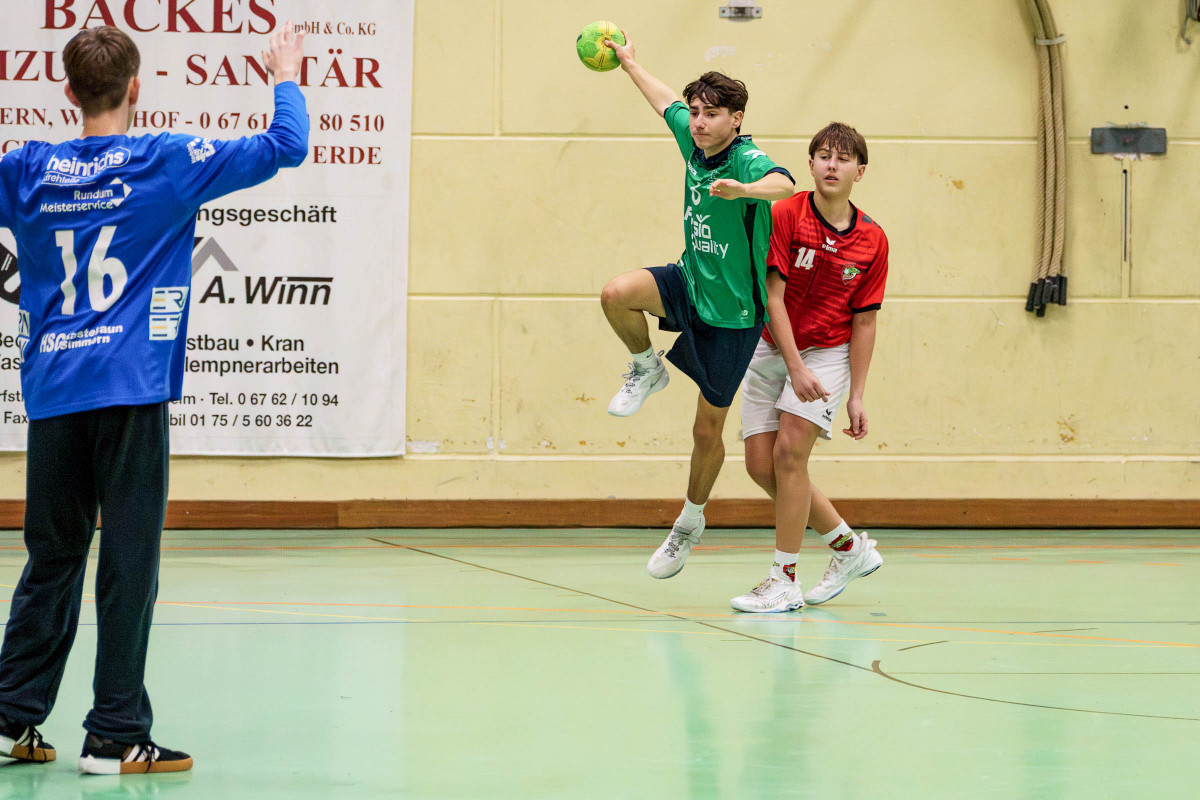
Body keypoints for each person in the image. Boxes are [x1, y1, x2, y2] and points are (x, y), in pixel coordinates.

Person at [0, 23, 308, 773]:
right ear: (135, 87)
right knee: (128, 559)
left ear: (68, 93)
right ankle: (113, 733)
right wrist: (286, 74)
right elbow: (285, 145)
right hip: (129, 390)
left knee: (52, 558)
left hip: (54, 393)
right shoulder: (164, 161)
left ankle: (9, 719)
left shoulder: (26, 170)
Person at [598, 32, 795, 579]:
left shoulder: (748, 160)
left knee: (707, 431)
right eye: (697, 113)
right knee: (616, 295)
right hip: (689, 280)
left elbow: (784, 183)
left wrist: (744, 191)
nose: (700, 122)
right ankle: (647, 367)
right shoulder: (693, 139)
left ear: (736, 119)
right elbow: (663, 100)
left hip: (733, 316)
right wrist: (629, 63)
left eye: (712, 114)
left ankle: (689, 521)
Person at [731, 122, 889, 613]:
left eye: (843, 158)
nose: (831, 165)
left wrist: (856, 394)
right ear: (811, 164)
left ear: (860, 171)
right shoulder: (785, 215)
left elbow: (865, 322)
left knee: (789, 455)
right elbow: (772, 296)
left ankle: (784, 580)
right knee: (761, 466)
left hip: (827, 352)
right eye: (823, 156)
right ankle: (848, 548)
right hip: (772, 346)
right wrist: (793, 366)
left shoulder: (873, 240)